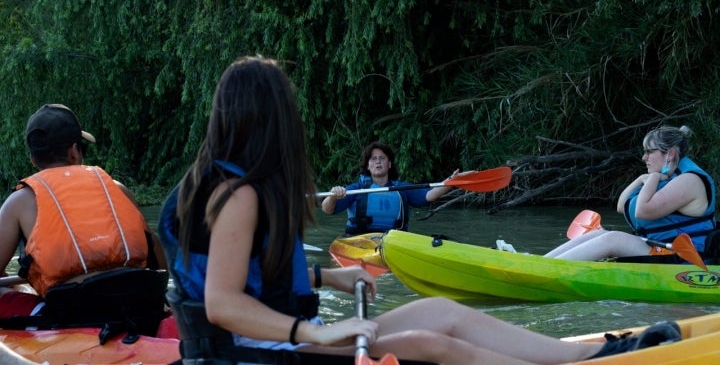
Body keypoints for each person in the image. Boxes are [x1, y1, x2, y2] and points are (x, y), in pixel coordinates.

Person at [159, 56, 680, 365]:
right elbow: (223, 302)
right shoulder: (237, 193)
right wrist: (313, 331)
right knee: (433, 341)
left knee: (445, 311)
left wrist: (325, 277)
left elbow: (247, 273)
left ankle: (589, 355)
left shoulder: (222, 182)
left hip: (269, 342)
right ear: (272, 118)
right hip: (260, 354)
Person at [0, 104, 167, 323]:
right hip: (138, 302)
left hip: (73, 312)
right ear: (73, 151)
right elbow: (159, 261)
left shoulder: (19, 201)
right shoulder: (116, 188)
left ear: (33, 160)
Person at [546, 125, 716, 261]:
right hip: (660, 249)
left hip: (686, 259)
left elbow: (642, 212)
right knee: (600, 233)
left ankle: (546, 271)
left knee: (613, 239)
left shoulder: (689, 181)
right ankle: (542, 262)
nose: (644, 158)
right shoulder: (669, 178)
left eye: (649, 151)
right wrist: (641, 179)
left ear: (670, 153)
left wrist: (653, 178)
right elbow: (622, 206)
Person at [321, 141, 462, 235]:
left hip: (392, 241)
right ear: (368, 165)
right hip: (359, 240)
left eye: (382, 158)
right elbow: (327, 209)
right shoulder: (356, 189)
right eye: (373, 159)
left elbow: (430, 195)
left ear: (389, 164)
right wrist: (332, 196)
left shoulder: (401, 189)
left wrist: (452, 180)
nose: (378, 162)